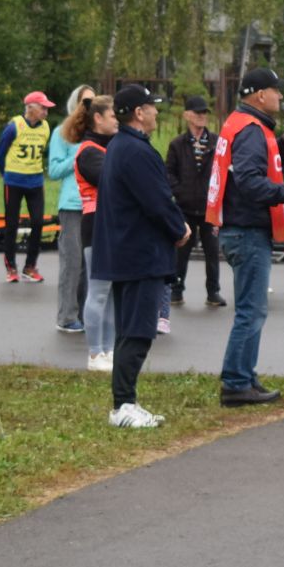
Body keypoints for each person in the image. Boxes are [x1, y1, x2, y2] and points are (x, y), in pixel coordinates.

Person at [207, 67, 284, 406]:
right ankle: (235, 383)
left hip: (240, 228)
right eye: (276, 91)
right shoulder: (251, 130)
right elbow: (250, 182)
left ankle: (244, 376)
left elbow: (264, 166)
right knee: (251, 311)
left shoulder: (245, 124)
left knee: (251, 309)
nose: (281, 97)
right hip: (246, 229)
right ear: (260, 95)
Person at [94, 85, 191, 427]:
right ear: (138, 112)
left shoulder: (123, 146)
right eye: (152, 107)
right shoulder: (136, 151)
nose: (156, 112)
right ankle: (123, 406)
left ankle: (127, 401)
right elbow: (157, 201)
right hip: (139, 254)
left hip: (129, 252)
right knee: (137, 331)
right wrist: (179, 229)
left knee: (130, 330)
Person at [165, 94, 225, 308]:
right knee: (181, 251)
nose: (202, 117)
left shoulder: (217, 142)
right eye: (197, 113)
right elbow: (169, 172)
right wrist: (180, 192)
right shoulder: (177, 144)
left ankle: (213, 292)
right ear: (187, 115)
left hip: (210, 207)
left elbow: (225, 169)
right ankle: (176, 289)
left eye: (204, 113)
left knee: (212, 251)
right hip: (185, 208)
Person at [47, 85, 98, 335]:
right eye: (84, 102)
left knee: (89, 263)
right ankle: (66, 316)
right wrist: (80, 154)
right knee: (72, 261)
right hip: (71, 205)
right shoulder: (61, 133)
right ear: (74, 104)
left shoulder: (97, 134)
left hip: (94, 205)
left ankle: (85, 314)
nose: (88, 107)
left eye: (92, 102)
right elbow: (54, 170)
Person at [74, 95, 119, 369]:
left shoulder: (110, 148)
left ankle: (110, 350)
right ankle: (94, 353)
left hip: (114, 224)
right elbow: (114, 181)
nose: (117, 120)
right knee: (99, 290)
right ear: (98, 118)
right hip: (96, 225)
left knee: (113, 292)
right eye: (113, 115)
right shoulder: (89, 151)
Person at [0, 90, 56, 283]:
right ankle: (11, 266)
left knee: (38, 222)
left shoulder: (45, 127)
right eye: (43, 108)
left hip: (35, 181)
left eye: (47, 108)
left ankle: (30, 266)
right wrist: (7, 174)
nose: (46, 112)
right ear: (30, 108)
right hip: (14, 182)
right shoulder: (14, 126)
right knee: (12, 224)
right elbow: (0, 154)